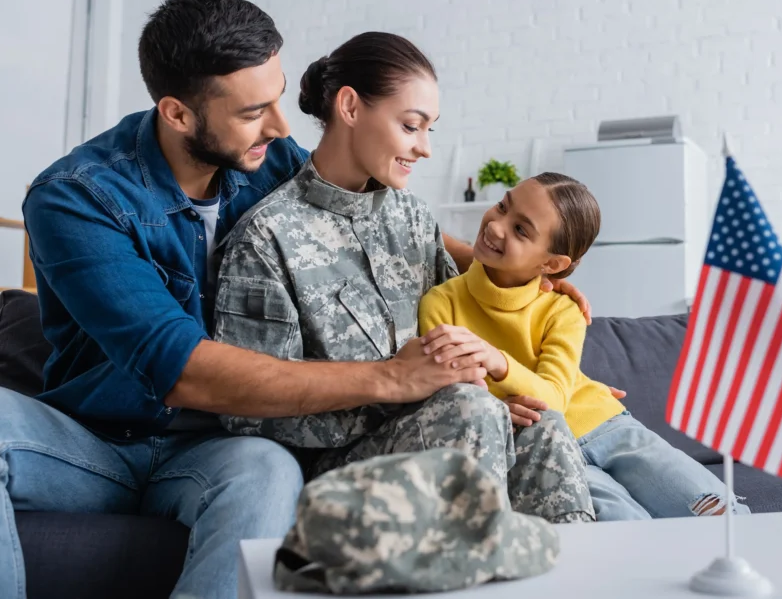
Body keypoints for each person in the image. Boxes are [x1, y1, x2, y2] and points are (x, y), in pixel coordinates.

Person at [0, 0, 592, 599]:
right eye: (255, 111)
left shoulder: (265, 156)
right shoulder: (75, 199)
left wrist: (516, 269)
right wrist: (390, 378)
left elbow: (361, 212)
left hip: (217, 450)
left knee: (264, 471)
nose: (283, 127)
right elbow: (177, 367)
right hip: (98, 441)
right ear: (178, 114)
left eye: (279, 97)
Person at [211, 32, 595, 525]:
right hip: (335, 473)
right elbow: (245, 410)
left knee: (543, 425)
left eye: (429, 129)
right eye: (412, 126)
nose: (426, 148)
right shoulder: (267, 238)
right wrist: (392, 385)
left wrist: (541, 285)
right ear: (349, 107)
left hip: (448, 435)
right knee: (470, 410)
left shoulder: (412, 219)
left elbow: (472, 315)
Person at [417, 173, 752, 520]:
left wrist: (496, 361)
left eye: (521, 230)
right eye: (503, 206)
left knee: (719, 511)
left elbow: (557, 398)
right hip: (544, 451)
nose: (497, 226)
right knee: (623, 526)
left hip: (608, 425)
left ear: (552, 264)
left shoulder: (562, 308)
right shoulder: (441, 304)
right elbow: (460, 399)